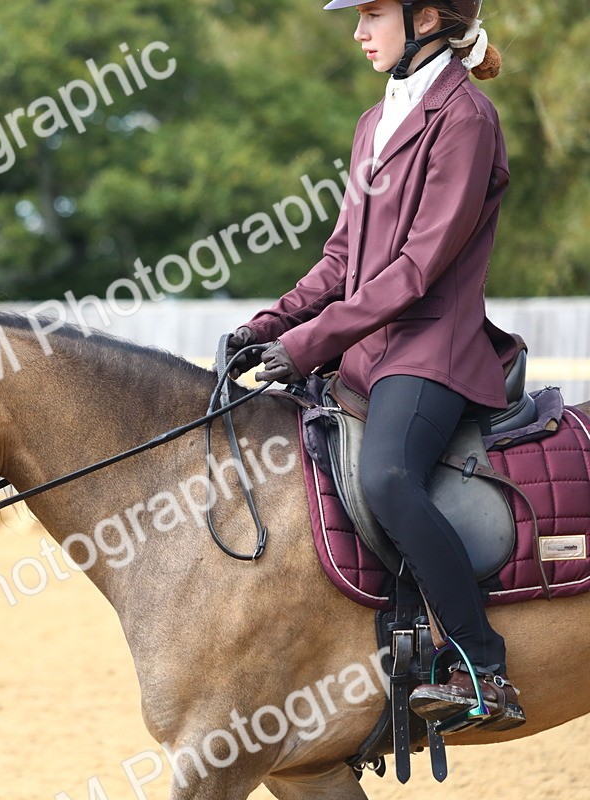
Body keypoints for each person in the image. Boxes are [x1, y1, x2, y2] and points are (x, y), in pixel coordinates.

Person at [226, 0, 525, 730]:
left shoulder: (466, 120)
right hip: (368, 348)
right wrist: (266, 324)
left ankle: (482, 667)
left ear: (426, 17)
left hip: (432, 348)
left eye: (370, 16)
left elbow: (416, 269)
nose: (359, 33)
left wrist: (305, 345)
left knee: (387, 478)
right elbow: (342, 260)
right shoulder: (374, 121)